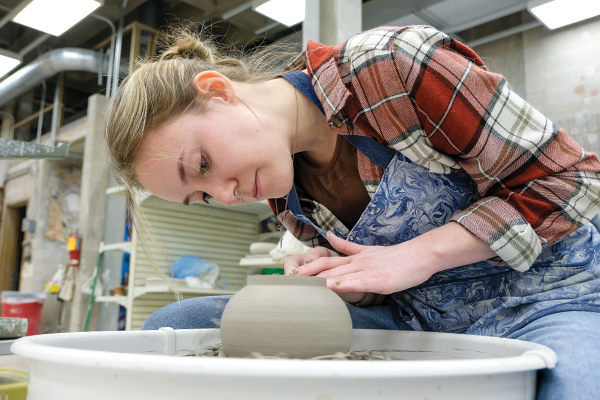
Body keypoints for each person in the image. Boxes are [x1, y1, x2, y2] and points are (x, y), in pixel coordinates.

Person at [105, 25, 600, 399]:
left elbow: (573, 180)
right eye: (205, 196)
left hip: (549, 299)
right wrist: (349, 284)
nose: (228, 194)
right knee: (179, 322)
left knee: (578, 387)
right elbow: (383, 279)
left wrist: (422, 253)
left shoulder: (392, 67)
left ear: (218, 90)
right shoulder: (283, 189)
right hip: (421, 321)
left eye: (204, 164)